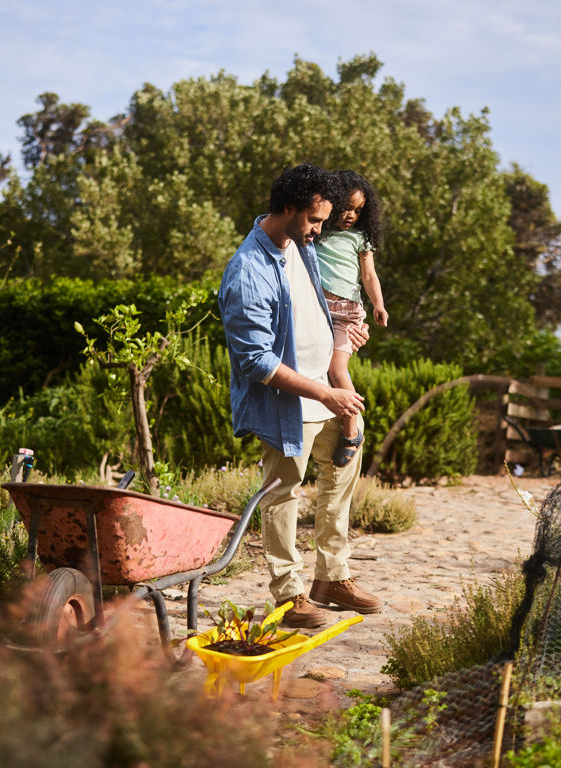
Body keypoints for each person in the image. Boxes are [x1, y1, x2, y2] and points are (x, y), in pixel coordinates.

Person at [218, 162, 383, 629]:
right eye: (313, 220)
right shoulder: (249, 269)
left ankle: (332, 577)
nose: (319, 230)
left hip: (324, 390)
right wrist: (325, 393)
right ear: (287, 208)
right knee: (282, 493)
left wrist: (344, 337)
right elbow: (255, 361)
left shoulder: (300, 244)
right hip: (287, 402)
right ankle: (288, 595)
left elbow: (320, 307)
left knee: (345, 464)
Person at [315, 170, 387, 467]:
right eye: (346, 207)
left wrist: (378, 305)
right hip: (318, 310)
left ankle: (350, 431)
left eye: (358, 210)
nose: (350, 215)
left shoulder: (361, 238)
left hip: (346, 315)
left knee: (336, 368)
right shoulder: (318, 233)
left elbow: (369, 275)